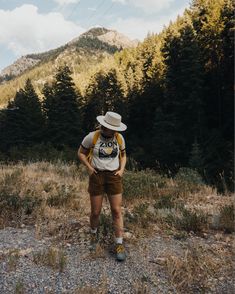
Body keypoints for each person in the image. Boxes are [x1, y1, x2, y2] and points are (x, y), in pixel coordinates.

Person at [78, 111, 127, 261]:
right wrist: (89, 168)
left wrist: (121, 170)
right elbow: (80, 153)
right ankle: (93, 236)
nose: (115, 131)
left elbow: (124, 155)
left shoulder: (119, 138)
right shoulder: (92, 137)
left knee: (116, 211)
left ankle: (119, 244)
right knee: (95, 212)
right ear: (105, 126)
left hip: (113, 177)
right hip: (97, 176)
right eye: (113, 128)